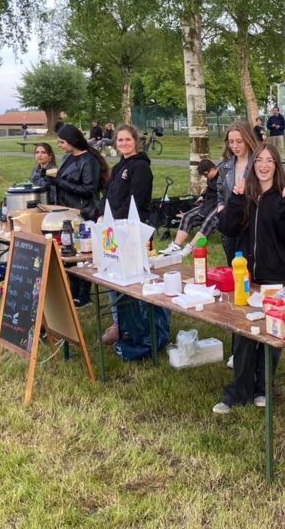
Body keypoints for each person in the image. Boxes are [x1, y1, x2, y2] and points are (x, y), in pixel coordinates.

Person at [213, 144, 285, 413]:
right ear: (253, 165)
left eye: (270, 161)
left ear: (277, 166)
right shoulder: (246, 195)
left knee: (270, 333)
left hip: (276, 278)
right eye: (259, 161)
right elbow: (227, 228)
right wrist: (237, 199)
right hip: (247, 277)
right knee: (244, 334)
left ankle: (263, 387)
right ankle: (238, 390)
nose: (264, 165)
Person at [97, 125, 168, 358]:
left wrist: (117, 221)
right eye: (120, 140)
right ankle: (121, 323)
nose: (124, 143)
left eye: (128, 139)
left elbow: (135, 202)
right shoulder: (118, 167)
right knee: (112, 276)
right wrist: (102, 215)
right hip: (113, 231)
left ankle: (138, 326)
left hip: (131, 231)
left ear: (135, 141)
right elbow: (108, 197)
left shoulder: (140, 168)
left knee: (133, 279)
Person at [46, 124, 110, 307]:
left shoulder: (89, 160)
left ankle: (83, 295)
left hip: (83, 212)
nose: (59, 145)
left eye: (61, 142)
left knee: (83, 253)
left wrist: (60, 182)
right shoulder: (68, 157)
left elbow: (88, 190)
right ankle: (72, 290)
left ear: (72, 141)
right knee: (67, 249)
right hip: (67, 211)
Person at [215, 121, 259, 264]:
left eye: (239, 141)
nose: (235, 146)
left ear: (248, 139)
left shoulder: (259, 163)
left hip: (254, 223)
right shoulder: (224, 166)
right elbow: (220, 191)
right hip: (232, 222)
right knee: (234, 266)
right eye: (231, 142)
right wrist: (221, 207)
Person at [159, 159, 220, 254]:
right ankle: (176, 246)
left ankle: (190, 248)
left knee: (208, 221)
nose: (205, 176)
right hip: (208, 203)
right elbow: (209, 188)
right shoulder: (210, 176)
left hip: (220, 204)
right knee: (187, 216)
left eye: (206, 174)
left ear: (212, 169)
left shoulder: (223, 176)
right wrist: (202, 196)